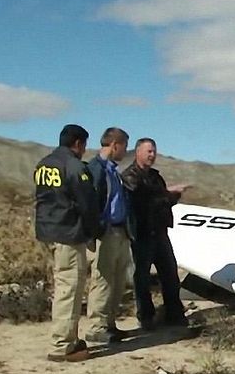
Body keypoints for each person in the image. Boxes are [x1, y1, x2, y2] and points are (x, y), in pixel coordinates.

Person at [34, 124, 101, 361]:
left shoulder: (44, 164)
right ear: (79, 144)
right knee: (69, 289)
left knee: (62, 285)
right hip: (68, 233)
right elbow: (87, 203)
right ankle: (62, 345)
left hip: (48, 232)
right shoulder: (74, 167)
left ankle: (69, 338)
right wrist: (93, 232)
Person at [121, 137, 189, 331]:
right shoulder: (130, 177)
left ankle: (174, 313)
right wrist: (168, 194)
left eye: (154, 151)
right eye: (148, 151)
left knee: (170, 273)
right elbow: (143, 201)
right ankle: (146, 317)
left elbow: (161, 201)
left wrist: (172, 197)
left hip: (160, 231)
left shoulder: (156, 177)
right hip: (142, 233)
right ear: (138, 152)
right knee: (141, 277)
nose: (152, 155)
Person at [85, 127, 132, 343]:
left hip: (120, 231)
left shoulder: (114, 171)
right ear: (115, 145)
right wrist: (95, 230)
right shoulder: (96, 169)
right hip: (105, 231)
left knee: (117, 280)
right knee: (102, 279)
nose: (125, 151)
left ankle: (109, 323)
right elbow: (90, 201)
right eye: (124, 146)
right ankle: (96, 326)